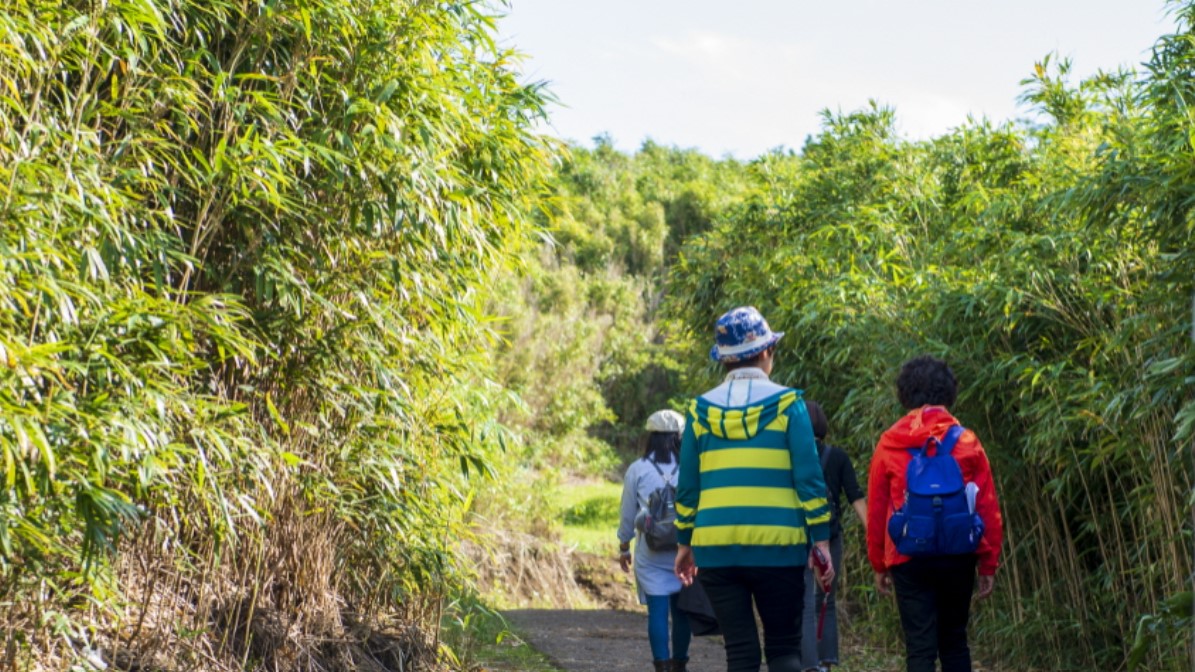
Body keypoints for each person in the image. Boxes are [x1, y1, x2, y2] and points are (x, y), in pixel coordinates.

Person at [673, 306, 834, 672]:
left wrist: (685, 543)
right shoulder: (789, 406)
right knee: (783, 650)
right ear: (765, 352)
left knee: (741, 654)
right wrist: (820, 540)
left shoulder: (700, 412)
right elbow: (809, 481)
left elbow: (687, 489)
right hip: (779, 547)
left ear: (723, 360)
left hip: (716, 549)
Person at [866, 355, 1004, 672]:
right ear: (949, 393)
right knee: (955, 642)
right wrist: (988, 562)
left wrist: (879, 562)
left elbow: (877, 509)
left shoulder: (889, 443)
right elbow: (987, 506)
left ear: (904, 394)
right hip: (958, 553)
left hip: (908, 556)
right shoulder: (967, 441)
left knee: (919, 648)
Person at [618, 409, 693, 672]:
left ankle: (662, 665)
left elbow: (628, 513)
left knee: (657, 611)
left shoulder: (638, 469)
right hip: (685, 547)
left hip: (650, 551)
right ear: (679, 437)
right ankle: (680, 663)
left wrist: (624, 546)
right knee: (682, 610)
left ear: (651, 436)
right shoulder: (690, 467)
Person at [799, 400, 867, 672]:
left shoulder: (792, 457)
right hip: (831, 536)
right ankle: (827, 662)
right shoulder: (837, 457)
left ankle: (808, 665)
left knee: (803, 603)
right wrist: (876, 537)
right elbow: (856, 498)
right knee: (826, 598)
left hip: (798, 536)